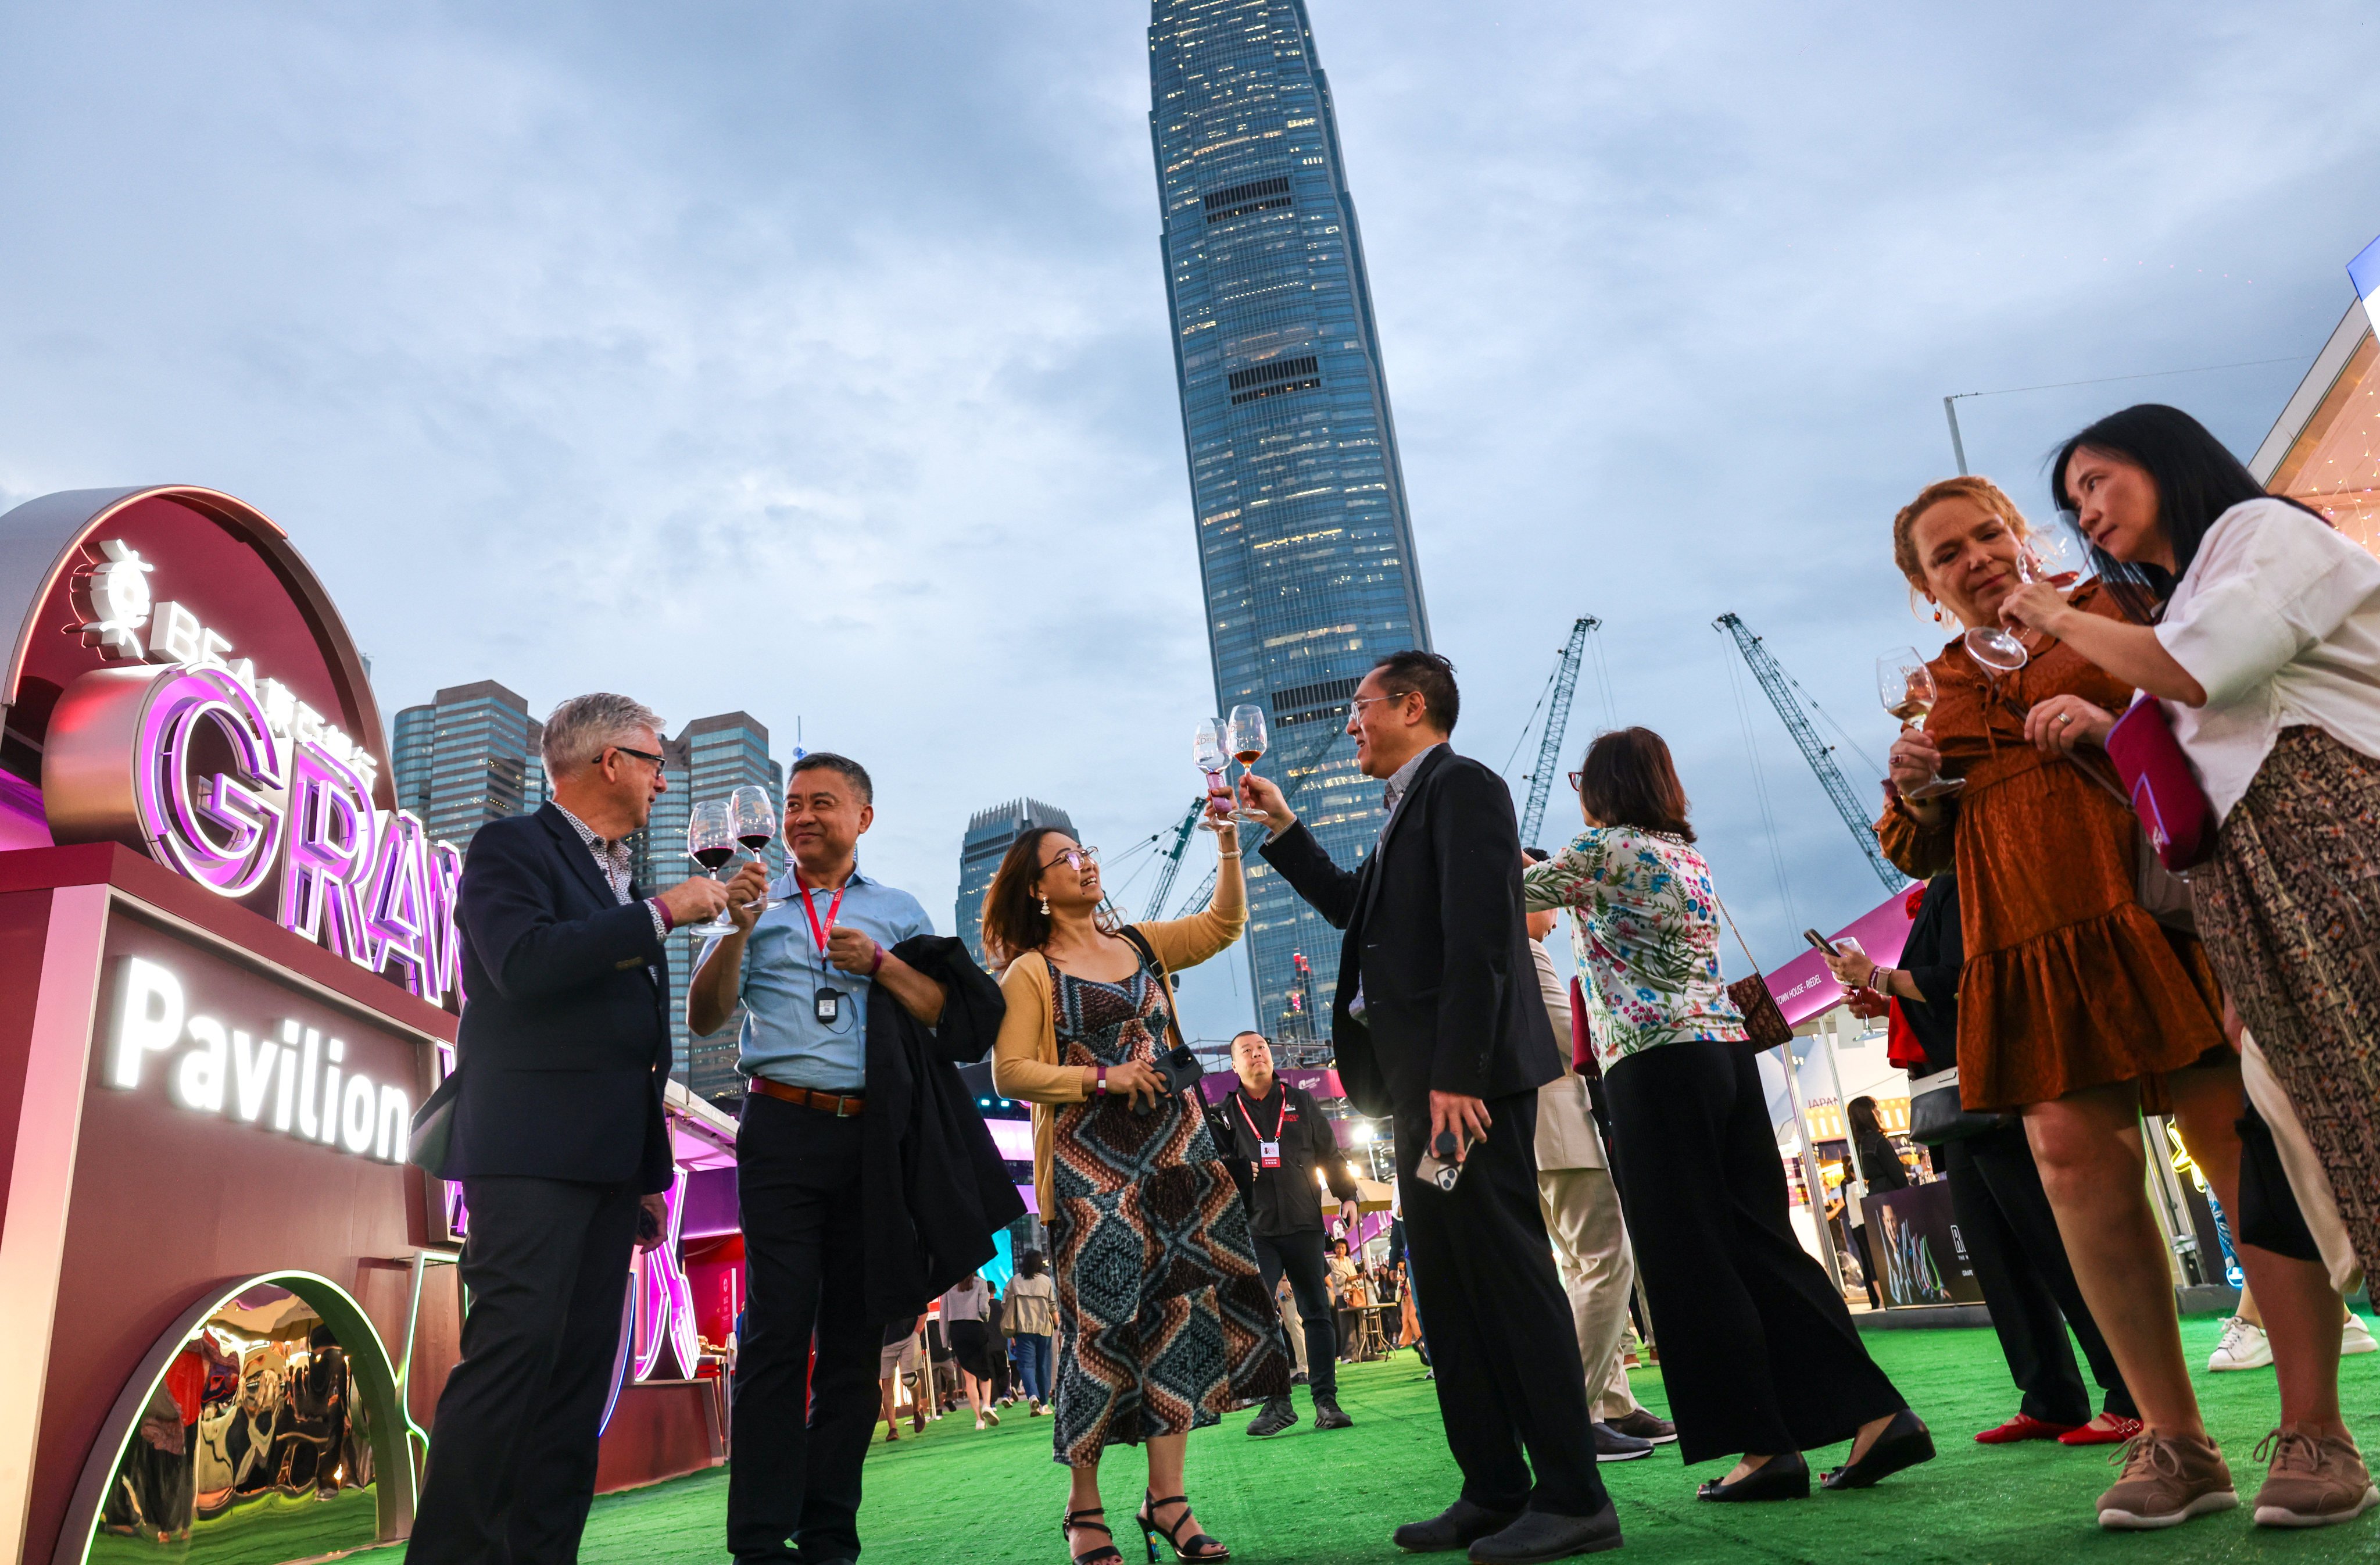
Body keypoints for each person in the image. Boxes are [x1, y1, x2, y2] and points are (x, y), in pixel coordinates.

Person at [1884, 460, 2358, 1528]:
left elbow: (2215, 713)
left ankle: (2318, 1428)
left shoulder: (2112, 605)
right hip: (2027, 937)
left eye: (1986, 533)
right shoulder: (1936, 681)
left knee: (2237, 1143)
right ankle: (2173, 1438)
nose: (1975, 559)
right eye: (1945, 554)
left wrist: (2099, 722)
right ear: (1925, 584)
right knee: (2071, 1163)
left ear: (2018, 530)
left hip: (2158, 910)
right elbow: (1917, 846)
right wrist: (1912, 790)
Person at [1246, 650, 1620, 1563]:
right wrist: (1285, 827)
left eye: (1360, 707)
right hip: (1420, 1088)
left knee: (1508, 1276)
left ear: (1411, 707)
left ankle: (1572, 1494)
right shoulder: (1403, 809)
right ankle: (1492, 1487)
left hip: (1468, 1088)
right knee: (1449, 1295)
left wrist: (1459, 1071)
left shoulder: (1463, 788)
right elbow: (1353, 911)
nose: (1348, 724)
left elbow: (1481, 938)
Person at [1527, 729, 1927, 1505]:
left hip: (1653, 1064)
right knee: (1760, 1247)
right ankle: (1875, 1412)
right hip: (1725, 1055)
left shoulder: (1599, 849)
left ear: (1601, 786)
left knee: (1689, 1260)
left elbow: (1509, 899)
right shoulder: (1685, 856)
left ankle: (1763, 1446)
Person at [409, 694, 731, 1564]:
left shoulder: (619, 872)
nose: (666, 779)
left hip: (607, 1169)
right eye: (656, 759)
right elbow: (521, 966)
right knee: (512, 1360)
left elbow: (636, 1050)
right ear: (609, 762)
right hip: (527, 1154)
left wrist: (647, 1175)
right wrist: (661, 916)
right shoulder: (511, 848)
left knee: (578, 1383)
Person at [690, 752, 1020, 1565]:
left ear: (862, 819)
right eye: (793, 804)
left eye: (821, 804)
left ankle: (829, 1528)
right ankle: (758, 1539)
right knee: (773, 1333)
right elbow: (702, 1018)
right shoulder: (750, 906)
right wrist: (733, 929)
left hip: (873, 1140)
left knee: (852, 1341)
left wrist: (881, 965)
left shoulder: (900, 913)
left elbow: (953, 1018)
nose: (802, 817)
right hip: (777, 1132)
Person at [987, 818, 1286, 1565]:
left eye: (1083, 854)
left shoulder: (1142, 944)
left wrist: (1225, 844)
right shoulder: (1031, 970)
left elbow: (1223, 923)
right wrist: (1101, 1076)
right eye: (1064, 860)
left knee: (1179, 1321)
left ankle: (1168, 1501)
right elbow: (1011, 1072)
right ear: (1037, 887)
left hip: (1177, 1160)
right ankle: (1083, 1510)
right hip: (1092, 1175)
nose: (1084, 866)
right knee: (1098, 1332)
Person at [1835, 873, 2140, 1447]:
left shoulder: (1960, 879)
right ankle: (2050, 1395)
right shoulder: (1942, 885)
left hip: (1993, 1086)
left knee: (2052, 1244)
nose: (1885, 817)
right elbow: (1946, 997)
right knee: (1997, 1253)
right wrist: (1886, 1000)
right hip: (1959, 1095)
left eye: (1895, 799)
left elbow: (1960, 982)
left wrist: (1877, 976)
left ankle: (2130, 1390)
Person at [1522, 852, 1674, 1460]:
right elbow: (1569, 1037)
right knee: (1606, 1261)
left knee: (1586, 1267)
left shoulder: (1515, 949)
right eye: (1551, 896)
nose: (1558, 914)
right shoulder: (1526, 952)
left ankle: (1611, 1403)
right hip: (1557, 1125)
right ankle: (1576, 1411)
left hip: (1549, 1126)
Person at [1214, 1029, 1361, 1437]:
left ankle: (1325, 1401)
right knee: (1259, 1314)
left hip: (1303, 1222)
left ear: (1270, 1057)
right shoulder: (1223, 1113)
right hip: (1254, 1227)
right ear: (1234, 1065)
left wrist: (1347, 1195)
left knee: (1316, 1310)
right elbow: (1214, 1167)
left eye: (1261, 1048)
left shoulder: (1300, 1101)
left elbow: (1329, 1152)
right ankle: (1277, 1403)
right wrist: (1241, 1170)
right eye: (1246, 1051)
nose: (1256, 1055)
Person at [1841, 1096, 1908, 1311]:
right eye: (1875, 1109)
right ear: (1868, 1113)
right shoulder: (1877, 1141)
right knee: (1899, 1245)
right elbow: (1898, 1174)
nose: (1879, 1112)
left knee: (1881, 1254)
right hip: (1891, 1196)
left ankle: (1890, 1298)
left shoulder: (1860, 1144)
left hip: (1875, 1198)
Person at [942, 1274, 1001, 1429]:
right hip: (976, 1329)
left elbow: (944, 1315)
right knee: (985, 1373)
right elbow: (983, 1308)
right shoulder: (981, 1283)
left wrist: (945, 1340)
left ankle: (979, 1420)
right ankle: (987, 1405)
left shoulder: (949, 1286)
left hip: (957, 1332)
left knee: (969, 1378)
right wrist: (985, 1317)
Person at [1007, 1250, 1059, 1416]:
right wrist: (1057, 1323)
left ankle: (1032, 1396)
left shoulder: (1015, 1281)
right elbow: (1053, 1306)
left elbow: (1005, 1304)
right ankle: (1044, 1405)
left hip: (1024, 1330)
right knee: (1044, 1366)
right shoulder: (1046, 1281)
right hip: (1044, 1329)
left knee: (1026, 1365)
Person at [878, 1317, 925, 1442]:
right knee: (886, 1384)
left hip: (908, 1336)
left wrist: (917, 1331)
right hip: (883, 1342)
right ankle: (893, 1428)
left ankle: (917, 1407)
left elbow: (926, 1306)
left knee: (908, 1378)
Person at [1326, 1238, 1365, 1362]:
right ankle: (1348, 1355)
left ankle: (1361, 1352)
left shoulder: (1348, 1260)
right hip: (1343, 1295)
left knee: (1358, 1322)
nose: (1340, 1250)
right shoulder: (1333, 1262)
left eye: (1343, 1247)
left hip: (1354, 1293)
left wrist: (1356, 1278)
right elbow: (1339, 1280)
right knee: (1347, 1324)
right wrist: (1356, 1277)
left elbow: (1352, 1275)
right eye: (1338, 1247)